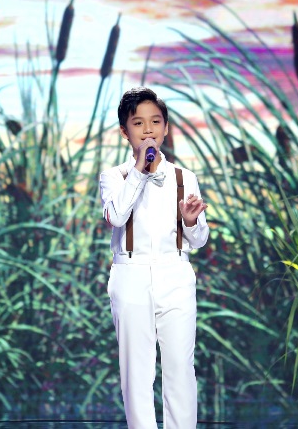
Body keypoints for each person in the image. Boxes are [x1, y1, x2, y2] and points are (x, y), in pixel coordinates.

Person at [100, 87, 209, 428]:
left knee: (180, 368)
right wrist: (140, 169)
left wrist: (190, 221)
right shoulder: (113, 177)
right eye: (138, 123)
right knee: (136, 371)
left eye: (155, 122)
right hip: (130, 274)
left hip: (175, 273)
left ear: (165, 128)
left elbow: (199, 239)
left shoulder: (184, 177)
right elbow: (116, 216)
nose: (148, 130)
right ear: (125, 131)